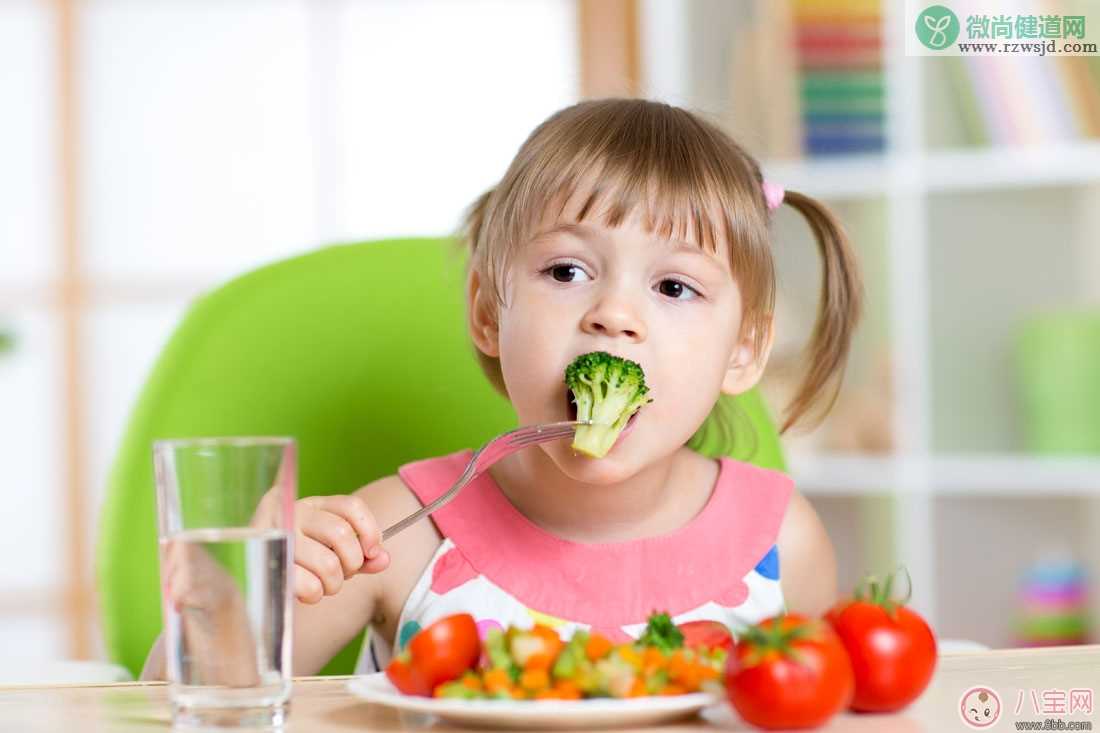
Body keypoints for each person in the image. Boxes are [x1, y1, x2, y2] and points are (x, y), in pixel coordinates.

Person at [141, 97, 862, 681]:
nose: (613, 314)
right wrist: (237, 595)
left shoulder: (783, 540)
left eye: (674, 286)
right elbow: (194, 707)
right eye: (567, 272)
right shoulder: (401, 531)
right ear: (490, 311)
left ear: (744, 351)